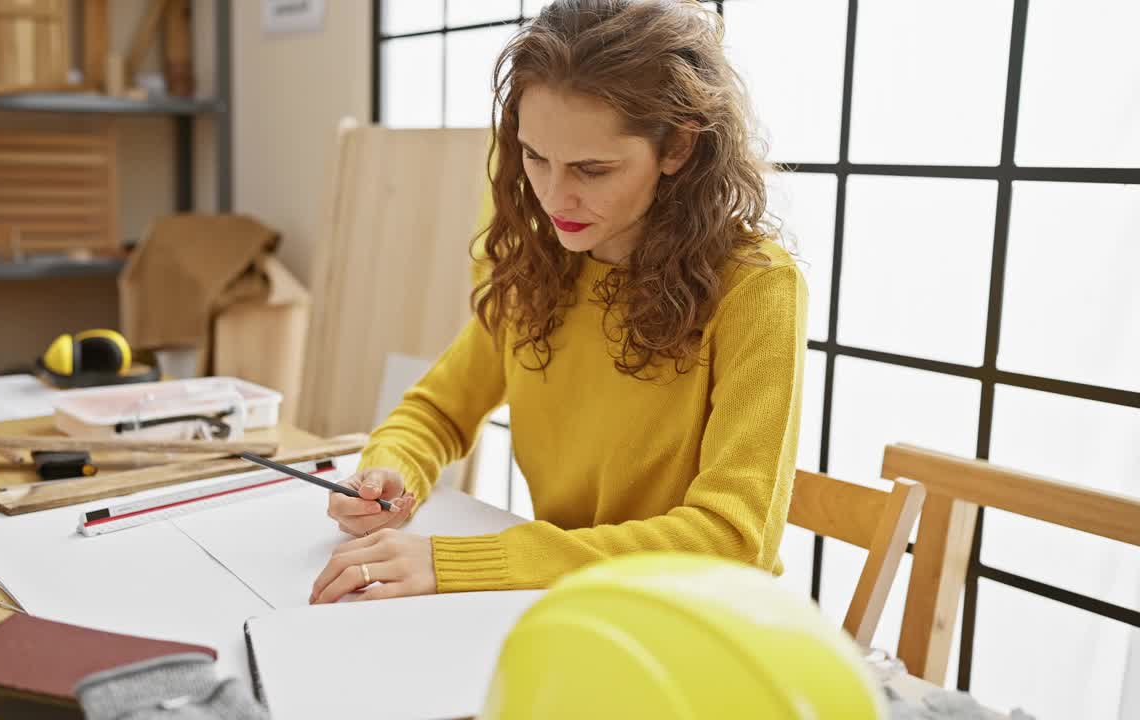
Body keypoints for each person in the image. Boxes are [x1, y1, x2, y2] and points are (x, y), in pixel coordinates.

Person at [310, 0, 807, 604]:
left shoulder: (755, 288)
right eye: (535, 156)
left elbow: (731, 539)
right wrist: (390, 472)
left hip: (698, 618)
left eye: (592, 169)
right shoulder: (540, 267)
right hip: (563, 603)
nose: (554, 195)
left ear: (677, 148)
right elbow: (436, 411)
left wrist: (465, 562)